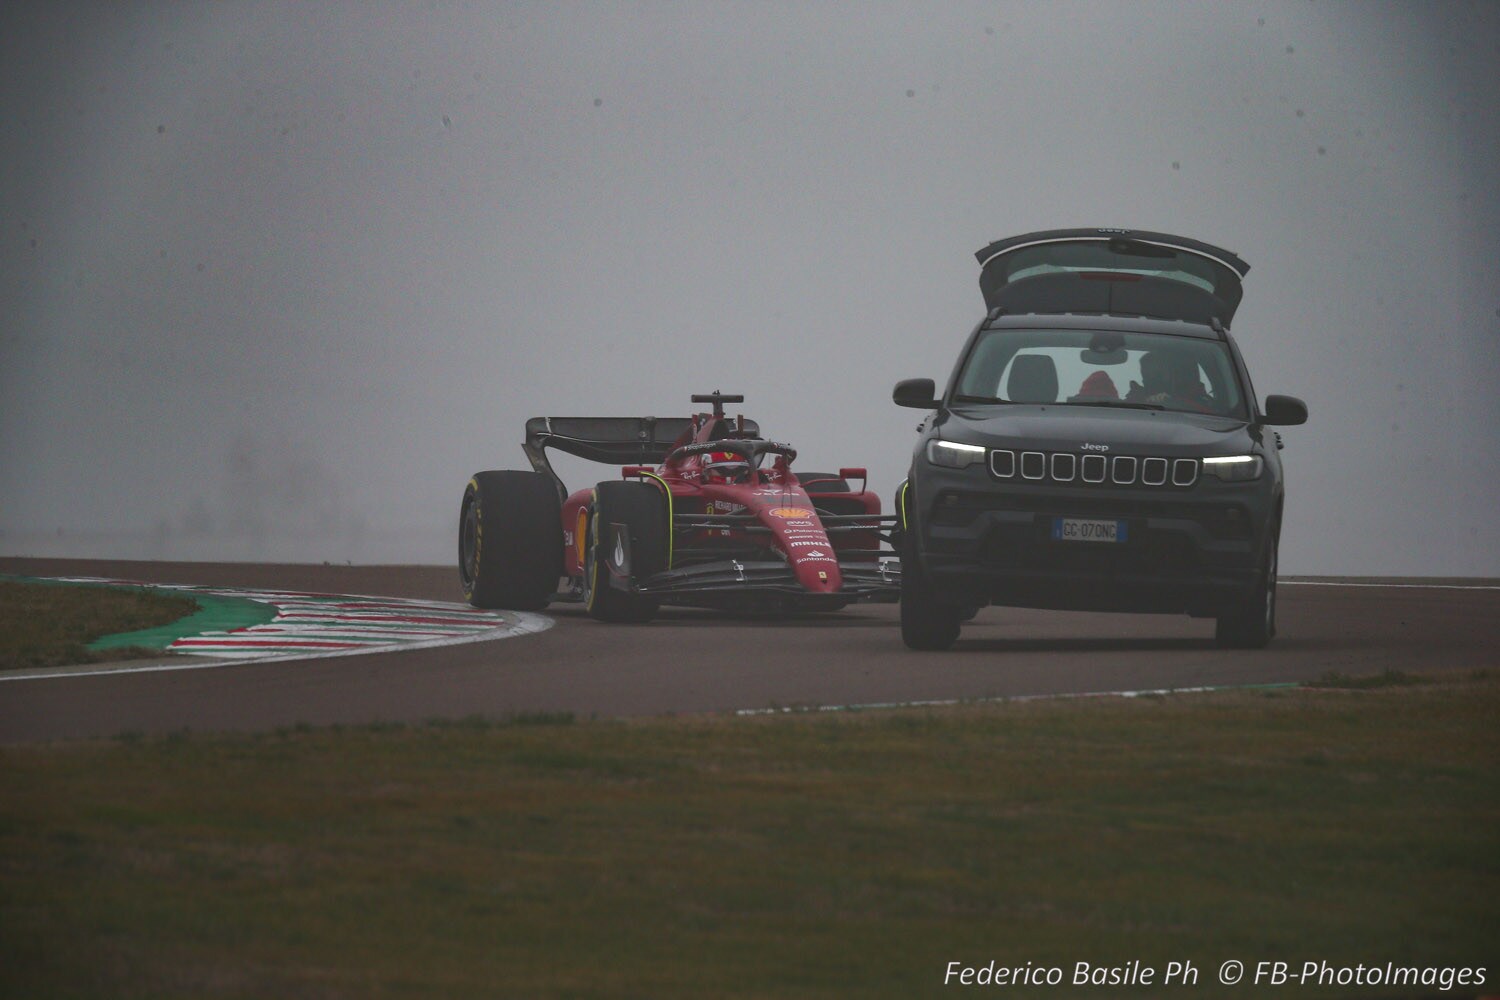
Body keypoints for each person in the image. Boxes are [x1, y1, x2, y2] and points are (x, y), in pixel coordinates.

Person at [1126, 351, 1215, 412]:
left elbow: (1207, 417)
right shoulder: (1137, 396)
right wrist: (1142, 401)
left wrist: (1171, 402)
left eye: (1157, 374)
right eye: (1146, 374)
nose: (1150, 380)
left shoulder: (1201, 402)